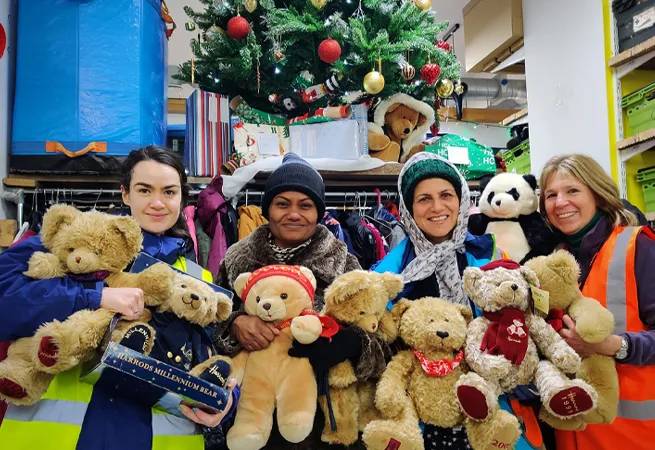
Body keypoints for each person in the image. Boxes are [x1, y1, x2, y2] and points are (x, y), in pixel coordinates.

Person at [0, 146, 237, 450]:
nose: (157, 203)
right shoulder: (75, 240)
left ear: (183, 198)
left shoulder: (199, 280)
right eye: (144, 190)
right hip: (56, 439)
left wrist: (224, 402)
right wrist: (96, 296)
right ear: (125, 194)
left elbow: (214, 358)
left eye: (169, 192)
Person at [213, 153, 392, 449]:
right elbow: (208, 322)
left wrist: (352, 343)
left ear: (319, 212)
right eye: (282, 203)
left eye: (305, 205)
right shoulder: (237, 260)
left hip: (328, 424)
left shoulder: (343, 264)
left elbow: (384, 341)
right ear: (268, 208)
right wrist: (235, 324)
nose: (293, 214)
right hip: (252, 419)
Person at [371, 152, 544, 450]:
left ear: (461, 199)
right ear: (408, 209)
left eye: (446, 195)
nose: (437, 207)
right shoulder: (389, 274)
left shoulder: (489, 257)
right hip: (423, 417)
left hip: (490, 406)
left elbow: (522, 324)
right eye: (424, 199)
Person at [538, 154, 655, 450]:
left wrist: (612, 346)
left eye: (572, 191)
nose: (560, 202)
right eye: (551, 195)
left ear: (597, 194)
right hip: (572, 433)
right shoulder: (552, 261)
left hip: (633, 436)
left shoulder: (638, 246)